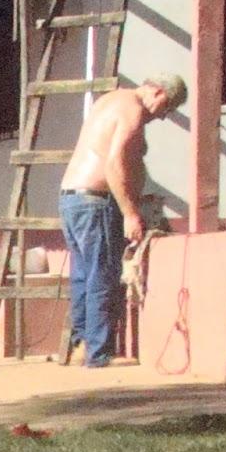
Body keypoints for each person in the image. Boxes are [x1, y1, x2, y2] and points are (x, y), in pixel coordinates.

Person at [58, 74, 186, 367]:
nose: (163, 116)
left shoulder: (110, 100)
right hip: (96, 202)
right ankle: (99, 353)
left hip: (72, 199)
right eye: (166, 107)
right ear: (156, 90)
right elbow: (114, 162)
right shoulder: (133, 110)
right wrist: (130, 213)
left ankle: (82, 345)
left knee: (83, 275)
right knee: (102, 275)